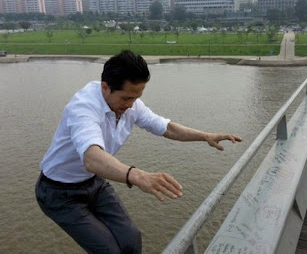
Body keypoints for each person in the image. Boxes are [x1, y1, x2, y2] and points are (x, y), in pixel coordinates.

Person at [35, 50, 242, 254]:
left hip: (93, 182)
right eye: (126, 98)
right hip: (58, 193)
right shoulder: (83, 108)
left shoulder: (131, 104)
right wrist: (137, 175)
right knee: (108, 250)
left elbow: (166, 128)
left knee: (131, 240)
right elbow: (91, 157)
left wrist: (205, 136)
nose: (131, 105)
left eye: (136, 98)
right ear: (105, 87)